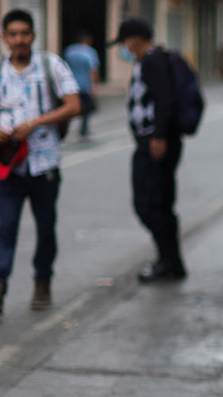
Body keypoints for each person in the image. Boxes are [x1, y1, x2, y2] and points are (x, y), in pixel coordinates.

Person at [0, 9, 80, 316]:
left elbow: (74, 105)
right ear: (4, 37)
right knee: (6, 226)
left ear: (33, 35)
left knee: (45, 228)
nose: (19, 39)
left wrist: (36, 123)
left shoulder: (52, 65)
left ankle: (42, 282)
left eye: (24, 33)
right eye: (13, 34)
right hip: (9, 165)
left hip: (44, 165)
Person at [108, 18, 187, 283]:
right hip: (156, 139)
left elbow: (165, 98)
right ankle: (171, 262)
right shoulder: (153, 59)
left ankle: (168, 261)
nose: (124, 49)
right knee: (160, 202)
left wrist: (159, 136)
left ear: (134, 39)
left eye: (124, 43)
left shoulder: (152, 60)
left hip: (155, 142)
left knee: (148, 204)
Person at [63, 31, 101, 139]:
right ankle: (83, 130)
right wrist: (95, 85)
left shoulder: (69, 51)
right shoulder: (90, 52)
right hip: (84, 85)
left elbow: (64, 66)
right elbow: (94, 69)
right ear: (87, 40)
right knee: (86, 109)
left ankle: (65, 128)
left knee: (70, 107)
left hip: (71, 84)